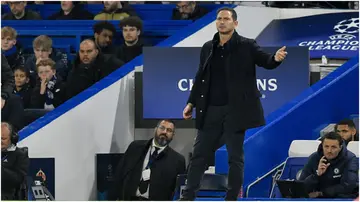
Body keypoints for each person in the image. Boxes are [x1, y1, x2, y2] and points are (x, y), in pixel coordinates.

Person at [180, 7, 287, 201]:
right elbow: (200, 77)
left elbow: (265, 61)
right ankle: (187, 196)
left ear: (235, 23)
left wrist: (276, 59)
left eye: (226, 19)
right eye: (219, 19)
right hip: (210, 108)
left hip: (236, 110)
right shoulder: (208, 47)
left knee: (234, 158)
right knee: (199, 155)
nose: (222, 22)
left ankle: (231, 198)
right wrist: (191, 102)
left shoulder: (247, 45)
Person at [108, 119, 186, 201]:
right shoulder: (135, 147)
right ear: (155, 129)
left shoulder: (178, 160)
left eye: (169, 130)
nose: (165, 132)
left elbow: (178, 192)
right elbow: (119, 174)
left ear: (173, 135)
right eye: (162, 128)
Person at [299, 132, 358, 198]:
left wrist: (321, 193)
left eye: (333, 147)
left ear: (340, 147)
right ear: (322, 146)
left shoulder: (350, 158)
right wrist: (317, 175)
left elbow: (348, 186)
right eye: (326, 146)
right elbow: (301, 186)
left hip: (341, 198)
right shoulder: (314, 158)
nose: (329, 150)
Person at [1, 122, 30, 200]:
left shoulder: (20, 155)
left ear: (12, 138)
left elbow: (18, 180)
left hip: (8, 195)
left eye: (3, 138)